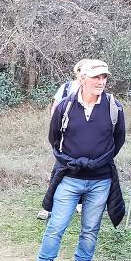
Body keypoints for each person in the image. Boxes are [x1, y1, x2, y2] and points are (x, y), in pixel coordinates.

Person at [32, 60, 126, 261]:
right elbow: (54, 138)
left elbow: (118, 140)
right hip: (69, 177)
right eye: (96, 77)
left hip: (101, 180)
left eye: (104, 77)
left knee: (90, 229)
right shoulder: (65, 106)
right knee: (56, 226)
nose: (101, 82)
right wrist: (71, 162)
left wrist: (97, 162)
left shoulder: (115, 107)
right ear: (82, 79)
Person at [39, 59, 89, 220]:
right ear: (77, 72)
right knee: (58, 171)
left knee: (84, 169)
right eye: (82, 70)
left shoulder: (95, 90)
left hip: (86, 139)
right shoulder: (67, 87)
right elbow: (55, 110)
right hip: (65, 139)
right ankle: (48, 206)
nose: (84, 74)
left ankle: (80, 204)